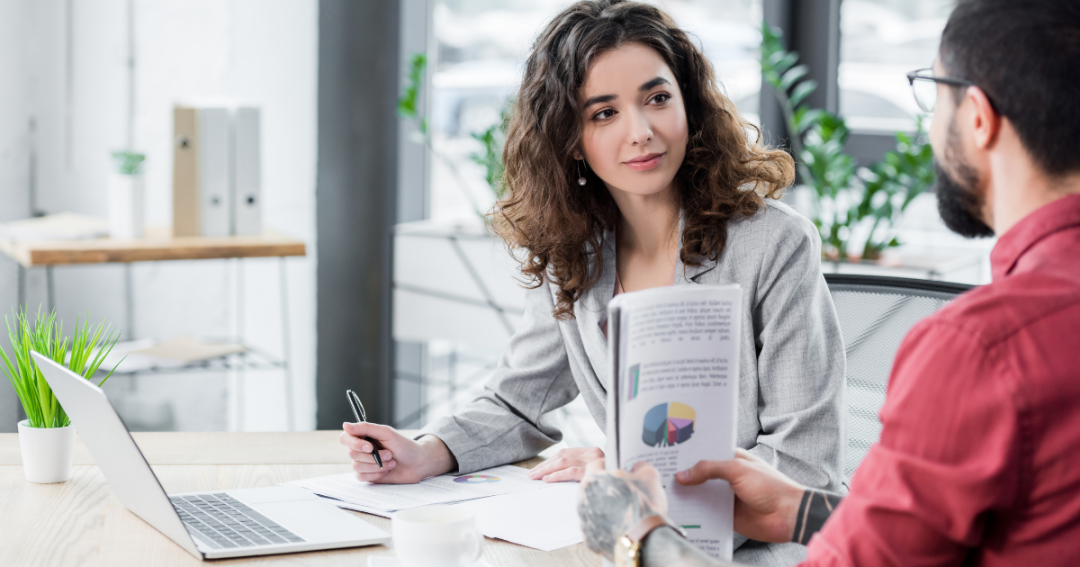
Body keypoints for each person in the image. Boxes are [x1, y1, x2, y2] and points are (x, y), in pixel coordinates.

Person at [577, 0, 1080, 565]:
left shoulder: (979, 351)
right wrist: (802, 510)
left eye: (934, 93)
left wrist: (638, 536)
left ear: (978, 118)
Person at [342, 1, 846, 562]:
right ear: (570, 137)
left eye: (658, 98)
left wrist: (630, 474)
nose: (642, 132)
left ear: (690, 104)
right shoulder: (575, 254)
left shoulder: (773, 245)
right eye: (603, 113)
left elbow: (807, 469)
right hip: (638, 543)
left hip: (755, 550)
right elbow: (517, 402)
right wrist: (425, 452)